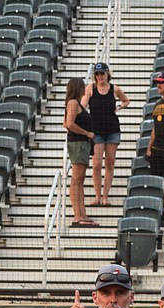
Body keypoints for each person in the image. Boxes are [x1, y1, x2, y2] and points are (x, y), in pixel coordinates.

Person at [83, 63, 129, 207]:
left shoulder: (114, 88)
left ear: (107, 74)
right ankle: (97, 195)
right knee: (96, 165)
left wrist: (120, 107)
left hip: (112, 129)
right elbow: (82, 106)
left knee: (110, 163)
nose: (99, 76)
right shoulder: (90, 88)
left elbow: (126, 100)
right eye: (97, 74)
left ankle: (105, 196)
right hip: (96, 130)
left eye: (102, 73)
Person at [63, 78, 96, 227]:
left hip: (80, 144)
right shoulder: (73, 103)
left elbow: (65, 123)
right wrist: (86, 133)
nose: (85, 90)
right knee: (77, 180)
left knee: (79, 180)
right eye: (83, 87)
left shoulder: (74, 103)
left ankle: (82, 214)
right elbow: (69, 124)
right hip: (78, 143)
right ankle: (78, 215)